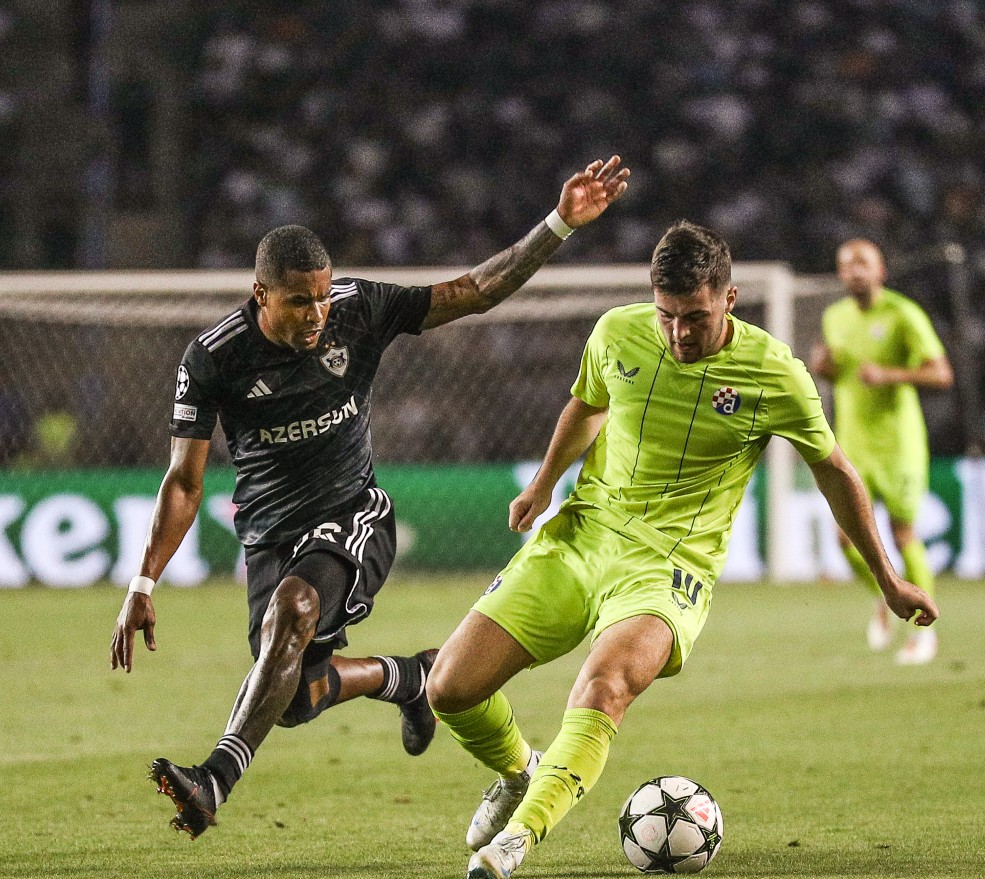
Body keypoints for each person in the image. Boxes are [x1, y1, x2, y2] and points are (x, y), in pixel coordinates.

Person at [109, 156, 631, 839]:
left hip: (353, 513)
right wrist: (144, 578)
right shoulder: (213, 357)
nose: (318, 313)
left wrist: (559, 222)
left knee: (295, 610)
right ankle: (409, 678)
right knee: (294, 695)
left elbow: (476, 289)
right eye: (300, 300)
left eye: (323, 296)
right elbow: (184, 480)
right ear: (260, 293)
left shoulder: (359, 309)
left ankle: (215, 778)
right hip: (271, 534)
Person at [424, 221, 938, 879]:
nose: (679, 333)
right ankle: (521, 770)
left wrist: (888, 580)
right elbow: (587, 403)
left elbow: (834, 470)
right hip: (583, 535)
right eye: (667, 316)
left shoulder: (774, 372)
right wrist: (543, 484)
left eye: (695, 316)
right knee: (450, 687)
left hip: (669, 567)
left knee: (605, 684)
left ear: (730, 298)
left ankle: (520, 837)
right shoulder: (617, 331)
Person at [810, 239, 954, 665]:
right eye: (846, 265)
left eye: (863, 263)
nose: (854, 271)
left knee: (902, 533)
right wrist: (825, 369)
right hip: (852, 442)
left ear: (881, 270)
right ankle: (886, 595)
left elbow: (941, 373)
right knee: (844, 539)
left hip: (898, 444)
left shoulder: (903, 314)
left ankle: (926, 634)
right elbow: (839, 371)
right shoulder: (834, 317)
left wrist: (890, 374)